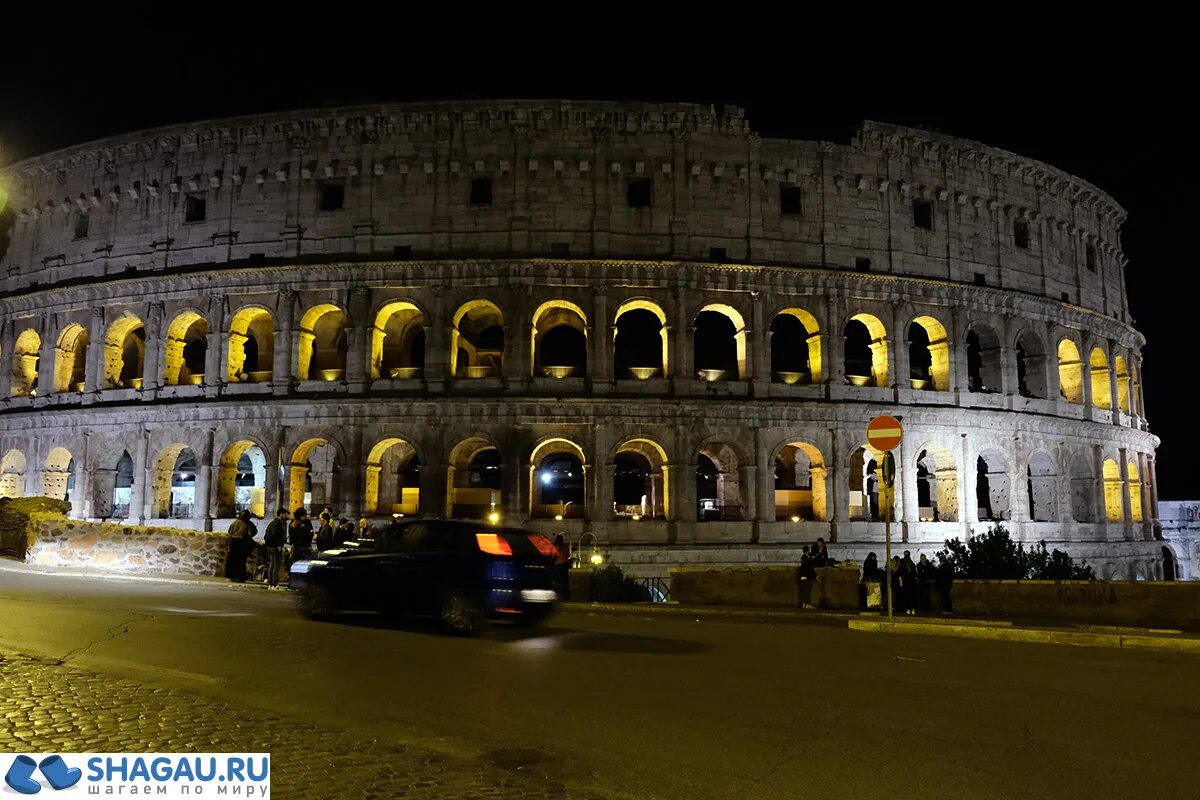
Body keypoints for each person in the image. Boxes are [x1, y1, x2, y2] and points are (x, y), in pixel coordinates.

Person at [225, 510, 256, 583]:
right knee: (240, 562)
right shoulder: (247, 524)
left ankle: (235, 576)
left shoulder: (236, 522)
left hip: (236, 543)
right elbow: (252, 533)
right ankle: (238, 576)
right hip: (241, 543)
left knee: (236, 561)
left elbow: (230, 532)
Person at [263, 508, 289, 589]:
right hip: (275, 547)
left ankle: (270, 584)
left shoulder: (272, 522)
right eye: (285, 514)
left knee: (272, 565)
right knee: (276, 565)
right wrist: (278, 545)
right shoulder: (278, 523)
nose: (286, 516)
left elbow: (267, 535)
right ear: (281, 514)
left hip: (270, 546)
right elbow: (276, 535)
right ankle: (274, 584)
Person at [900, 550, 918, 615]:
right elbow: (901, 572)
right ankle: (907, 608)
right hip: (905, 582)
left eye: (907, 554)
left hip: (911, 582)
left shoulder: (912, 563)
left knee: (912, 596)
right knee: (906, 596)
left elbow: (914, 572)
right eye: (905, 554)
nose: (906, 555)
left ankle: (913, 608)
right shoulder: (902, 562)